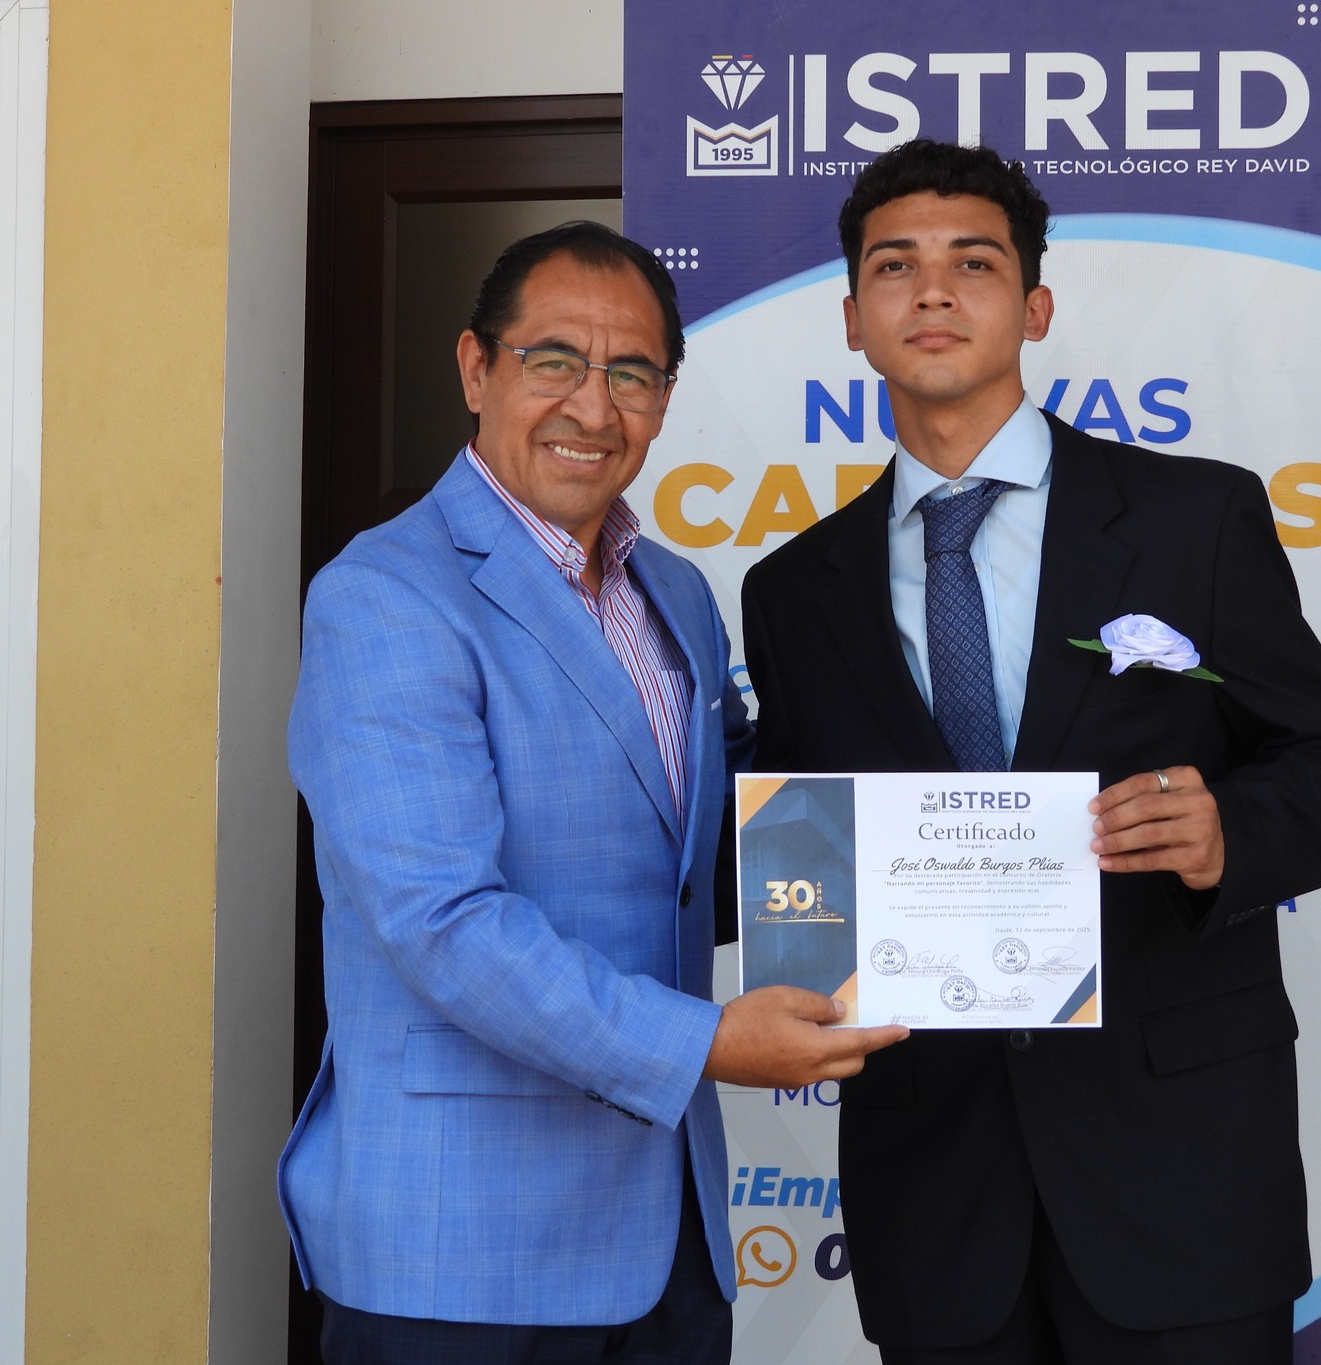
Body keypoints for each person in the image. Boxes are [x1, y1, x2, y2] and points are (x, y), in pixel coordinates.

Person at [740, 142, 1321, 1364]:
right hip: (934, 1189)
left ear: (1033, 307)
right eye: (894, 266)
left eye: (972, 263)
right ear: (851, 320)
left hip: (1181, 1174)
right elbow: (798, 845)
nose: (932, 292)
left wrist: (1225, 833)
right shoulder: (791, 590)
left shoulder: (1194, 520)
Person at [281, 222, 905, 1365]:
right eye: (554, 360)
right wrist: (706, 1044)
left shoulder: (675, 592)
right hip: (461, 1255)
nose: (592, 405)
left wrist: (966, 846)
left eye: (631, 373)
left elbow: (712, 854)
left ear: (663, 399)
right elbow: (441, 923)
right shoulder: (385, 597)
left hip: (667, 1245)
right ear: (476, 368)